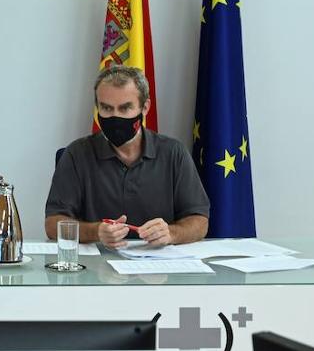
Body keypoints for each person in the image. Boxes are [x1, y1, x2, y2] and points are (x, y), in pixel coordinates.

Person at [44, 65, 210, 248]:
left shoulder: (174, 153)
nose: (115, 117)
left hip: (158, 262)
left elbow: (200, 222)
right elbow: (52, 225)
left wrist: (171, 233)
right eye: (106, 108)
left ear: (145, 107)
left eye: (125, 108)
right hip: (96, 261)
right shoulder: (77, 153)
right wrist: (96, 232)